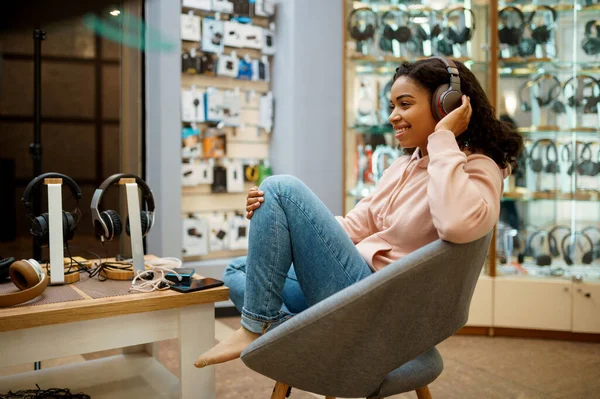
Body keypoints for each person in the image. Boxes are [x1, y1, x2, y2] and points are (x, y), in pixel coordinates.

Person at [194, 57, 524, 368]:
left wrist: (443, 140)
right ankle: (302, 336)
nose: (394, 116)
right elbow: (354, 226)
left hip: (383, 305)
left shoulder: (479, 168)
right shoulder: (403, 165)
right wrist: (282, 223)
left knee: (281, 188)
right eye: (392, 106)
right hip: (355, 286)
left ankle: (260, 327)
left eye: (405, 104)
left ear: (447, 105)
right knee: (238, 270)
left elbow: (455, 225)